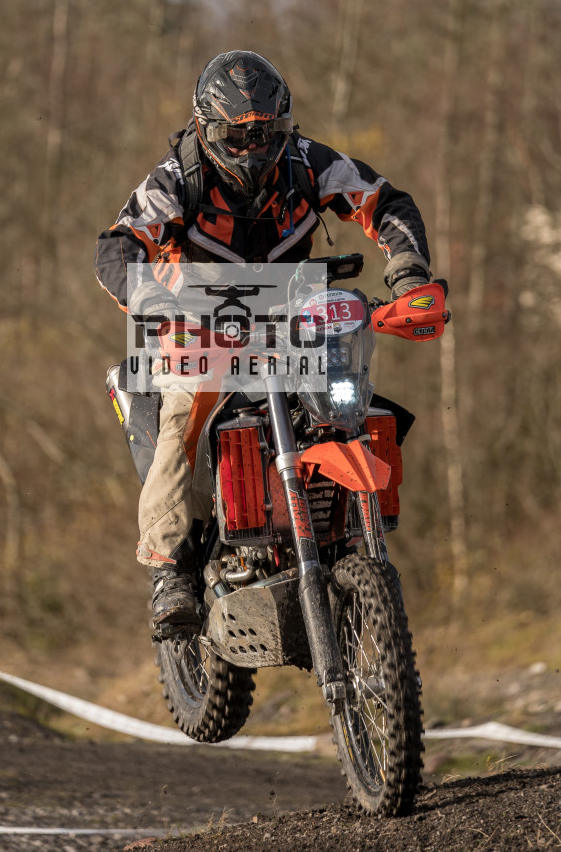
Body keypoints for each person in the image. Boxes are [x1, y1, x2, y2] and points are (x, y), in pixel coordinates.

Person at [95, 51, 431, 630]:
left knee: (352, 399)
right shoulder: (176, 179)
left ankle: (349, 538)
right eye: (237, 135)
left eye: (266, 134)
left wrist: (407, 274)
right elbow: (118, 244)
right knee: (183, 417)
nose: (252, 148)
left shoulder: (309, 163)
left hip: (290, 324)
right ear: (206, 127)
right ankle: (171, 568)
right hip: (196, 327)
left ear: (285, 127)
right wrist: (150, 296)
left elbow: (385, 201)